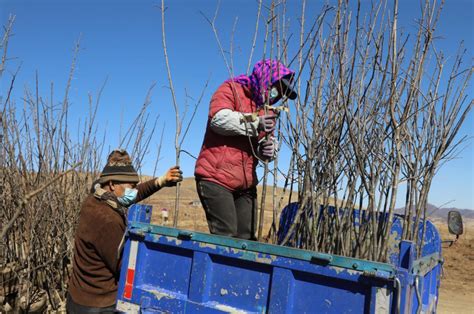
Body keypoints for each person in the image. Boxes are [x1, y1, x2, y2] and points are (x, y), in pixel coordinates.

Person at [67, 149, 183, 313]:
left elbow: (130, 196)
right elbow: (123, 265)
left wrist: (161, 181)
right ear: (113, 185)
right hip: (97, 304)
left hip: (78, 296)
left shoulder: (95, 200)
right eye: (131, 186)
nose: (134, 191)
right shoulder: (108, 220)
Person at [195, 59, 297, 240]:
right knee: (226, 235)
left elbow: (263, 145)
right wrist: (255, 122)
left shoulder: (267, 110)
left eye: (280, 94)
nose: (276, 95)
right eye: (276, 88)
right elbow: (218, 119)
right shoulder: (231, 89)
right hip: (215, 177)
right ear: (266, 80)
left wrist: (268, 150)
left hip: (245, 184)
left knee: (247, 238)